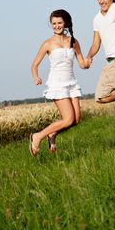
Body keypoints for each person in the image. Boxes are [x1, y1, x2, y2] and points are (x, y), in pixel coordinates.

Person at [30, 9, 90, 157]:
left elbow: (81, 63)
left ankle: (52, 134)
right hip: (57, 84)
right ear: (51, 24)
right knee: (68, 119)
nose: (57, 26)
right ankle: (37, 136)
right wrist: (36, 77)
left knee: (75, 120)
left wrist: (87, 63)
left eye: (59, 23)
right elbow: (34, 64)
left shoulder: (73, 42)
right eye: (54, 23)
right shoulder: (47, 43)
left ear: (65, 23)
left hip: (72, 83)